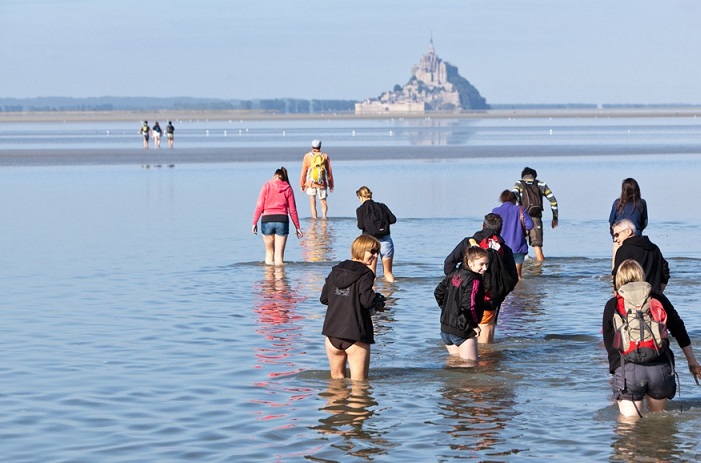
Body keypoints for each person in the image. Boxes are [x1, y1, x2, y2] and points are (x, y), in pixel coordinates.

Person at [603, 259, 701, 418]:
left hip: (629, 369)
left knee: (628, 430)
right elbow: (679, 329)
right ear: (641, 275)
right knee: (659, 424)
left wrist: (617, 373)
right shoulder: (658, 298)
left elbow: (610, 344)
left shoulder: (612, 304)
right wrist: (692, 362)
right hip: (660, 368)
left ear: (618, 279)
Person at [444, 213, 518, 344]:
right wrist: (500, 294)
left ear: (482, 226)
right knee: (486, 346)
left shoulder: (468, 243)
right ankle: (486, 363)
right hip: (490, 300)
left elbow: (449, 263)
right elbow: (512, 278)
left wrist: (457, 283)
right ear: (501, 229)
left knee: (462, 341)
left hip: (464, 298)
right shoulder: (505, 249)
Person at [320, 235, 384, 380]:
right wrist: (377, 300)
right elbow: (367, 301)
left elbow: (324, 299)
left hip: (332, 334)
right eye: (372, 252)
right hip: (356, 334)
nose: (375, 256)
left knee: (336, 384)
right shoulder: (365, 273)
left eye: (377, 253)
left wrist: (343, 300)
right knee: (359, 388)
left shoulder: (335, 271)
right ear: (360, 250)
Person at [435, 246, 490, 362]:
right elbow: (469, 306)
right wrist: (474, 325)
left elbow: (438, 293)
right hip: (463, 330)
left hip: (446, 328)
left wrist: (446, 310)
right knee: (470, 369)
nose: (484, 268)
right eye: (481, 264)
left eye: (487, 264)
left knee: (454, 364)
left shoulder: (454, 273)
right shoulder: (474, 280)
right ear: (470, 262)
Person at [252, 167, 304, 266]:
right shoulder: (288, 188)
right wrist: (297, 227)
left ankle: (268, 280)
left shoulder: (266, 186)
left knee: (269, 254)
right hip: (282, 220)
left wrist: (254, 222)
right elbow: (292, 210)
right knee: (279, 258)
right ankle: (280, 280)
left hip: (267, 220)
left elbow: (259, 205)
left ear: (274, 176)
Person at [512, 167, 558, 261]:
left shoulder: (519, 183)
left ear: (523, 176)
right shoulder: (541, 184)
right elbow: (553, 201)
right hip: (535, 218)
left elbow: (513, 196)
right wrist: (555, 218)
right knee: (537, 247)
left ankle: (521, 273)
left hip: (521, 218)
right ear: (534, 176)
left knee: (520, 249)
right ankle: (539, 272)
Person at [611, 218, 669, 292]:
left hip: (632, 297)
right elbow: (665, 271)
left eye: (617, 235)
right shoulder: (654, 248)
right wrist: (658, 292)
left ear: (628, 231)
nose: (615, 239)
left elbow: (618, 276)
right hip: (653, 296)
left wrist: (618, 295)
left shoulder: (623, 250)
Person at [355, 186, 397, 282]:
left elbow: (361, 226)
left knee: (371, 272)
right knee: (388, 272)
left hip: (371, 243)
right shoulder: (382, 206)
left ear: (361, 197)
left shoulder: (360, 209)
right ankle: (390, 295)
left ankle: (372, 295)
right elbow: (393, 219)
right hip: (386, 240)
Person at [492, 189, 534, 279]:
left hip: (500, 247)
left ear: (502, 200)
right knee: (518, 277)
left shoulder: (495, 211)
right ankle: (518, 292)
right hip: (517, 246)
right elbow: (530, 225)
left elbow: (490, 227)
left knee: (502, 276)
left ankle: (507, 293)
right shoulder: (520, 210)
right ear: (514, 200)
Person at [608, 178, 648, 267]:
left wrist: (614, 236)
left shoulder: (617, 203)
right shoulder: (641, 203)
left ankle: (615, 278)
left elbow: (610, 222)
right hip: (636, 237)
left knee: (616, 267)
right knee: (636, 266)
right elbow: (644, 222)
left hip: (619, 237)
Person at [300, 139, 334, 219]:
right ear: (320, 146)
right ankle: (324, 218)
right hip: (322, 183)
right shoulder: (325, 156)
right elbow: (329, 172)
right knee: (323, 201)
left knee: (312, 203)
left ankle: (314, 221)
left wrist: (302, 184)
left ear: (312, 146)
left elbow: (304, 172)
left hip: (310, 183)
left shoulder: (307, 156)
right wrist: (331, 184)